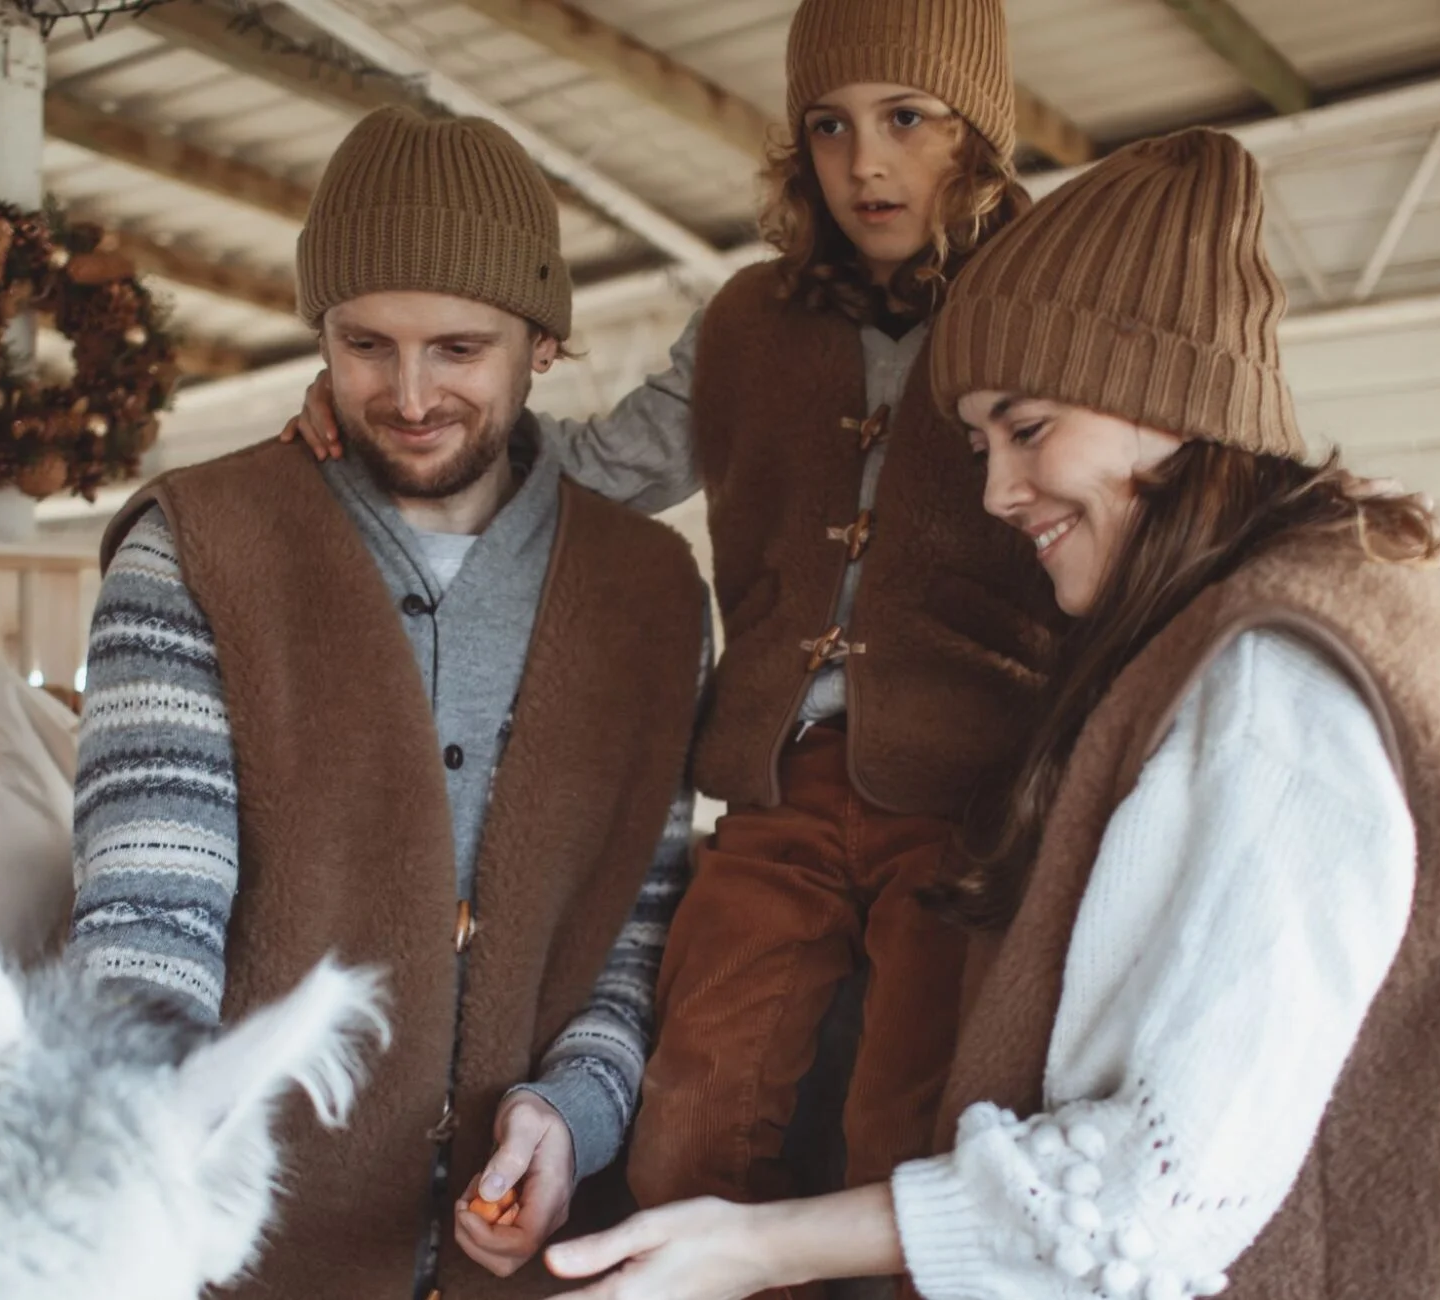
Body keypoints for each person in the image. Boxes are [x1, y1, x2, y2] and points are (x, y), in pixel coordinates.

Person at [535, 129, 1440, 1300]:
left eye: (1028, 429)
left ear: (1169, 397)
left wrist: (760, 1244)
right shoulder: (1255, 625)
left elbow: (1152, 1193)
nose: (995, 491)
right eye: (979, 445)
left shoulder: (1276, 679)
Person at [286, 0, 1066, 1236]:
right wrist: (397, 419)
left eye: (908, 119)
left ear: (978, 130)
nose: (865, 162)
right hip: (776, 787)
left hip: (969, 791)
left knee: (909, 1117)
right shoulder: (751, 320)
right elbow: (601, 470)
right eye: (829, 125)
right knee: (695, 1113)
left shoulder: (1046, 300)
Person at [67, 105, 707, 1297]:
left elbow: (637, 932)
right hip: (237, 1259)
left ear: (543, 343)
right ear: (319, 332)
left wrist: (571, 1116)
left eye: (459, 348)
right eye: (366, 344)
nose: (410, 396)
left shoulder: (654, 594)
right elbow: (147, 918)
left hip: (540, 1261)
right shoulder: (196, 549)